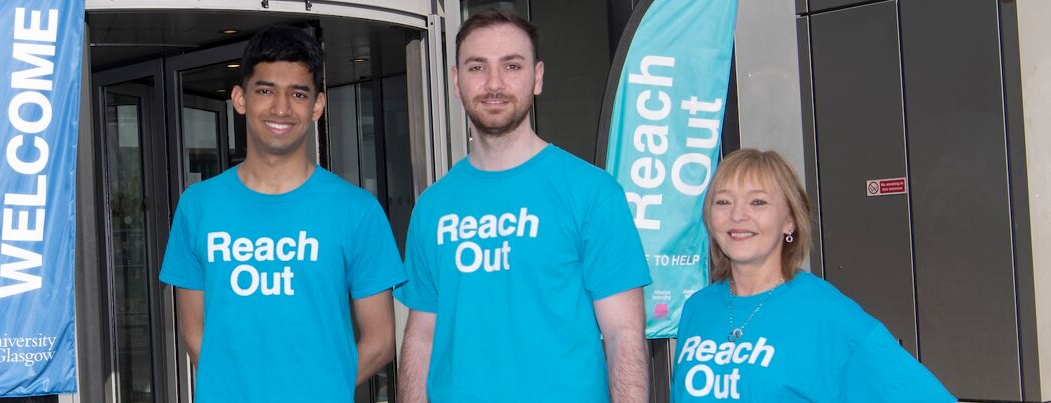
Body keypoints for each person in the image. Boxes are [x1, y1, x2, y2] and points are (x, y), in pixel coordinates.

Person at [395, 9, 652, 403]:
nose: (493, 83)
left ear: (537, 78)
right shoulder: (432, 206)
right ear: (455, 81)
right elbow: (421, 337)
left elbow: (624, 336)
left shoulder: (592, 193)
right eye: (477, 67)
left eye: (511, 66)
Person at [157, 25, 404, 402]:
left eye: (298, 93)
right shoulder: (198, 205)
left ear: (317, 106)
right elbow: (193, 331)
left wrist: (317, 392)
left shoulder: (357, 211)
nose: (281, 108)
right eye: (266, 90)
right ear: (240, 98)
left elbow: (381, 341)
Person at [671, 148, 954, 401]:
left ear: (789, 221)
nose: (737, 215)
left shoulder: (826, 312)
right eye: (723, 202)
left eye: (757, 202)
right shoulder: (698, 308)